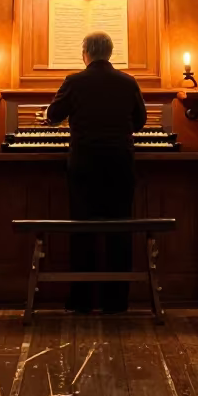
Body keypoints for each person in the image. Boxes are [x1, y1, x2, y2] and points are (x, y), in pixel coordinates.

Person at [44, 30, 147, 314]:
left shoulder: (74, 82)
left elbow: (53, 116)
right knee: (120, 230)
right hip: (120, 165)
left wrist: (46, 116)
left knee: (82, 230)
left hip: (85, 167)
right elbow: (140, 122)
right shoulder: (128, 82)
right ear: (110, 53)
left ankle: (82, 300)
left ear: (85, 53)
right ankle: (117, 302)